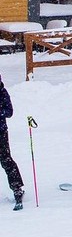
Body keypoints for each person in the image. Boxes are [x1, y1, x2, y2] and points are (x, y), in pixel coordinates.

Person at [0, 73, 24, 209]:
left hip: (1, 132)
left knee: (6, 160)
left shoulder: (3, 93)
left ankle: (17, 188)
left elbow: (9, 111)